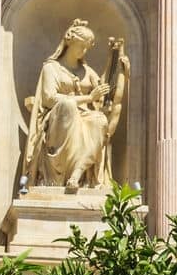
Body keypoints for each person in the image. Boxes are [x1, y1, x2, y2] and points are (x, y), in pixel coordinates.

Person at [21, 20, 129, 193]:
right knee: (67, 105)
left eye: (87, 48)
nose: (84, 51)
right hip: (58, 121)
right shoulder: (51, 68)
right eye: (81, 46)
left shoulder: (86, 70)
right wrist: (88, 97)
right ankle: (59, 175)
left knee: (99, 120)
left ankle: (77, 173)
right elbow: (49, 99)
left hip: (85, 118)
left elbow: (104, 89)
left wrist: (114, 60)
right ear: (70, 42)